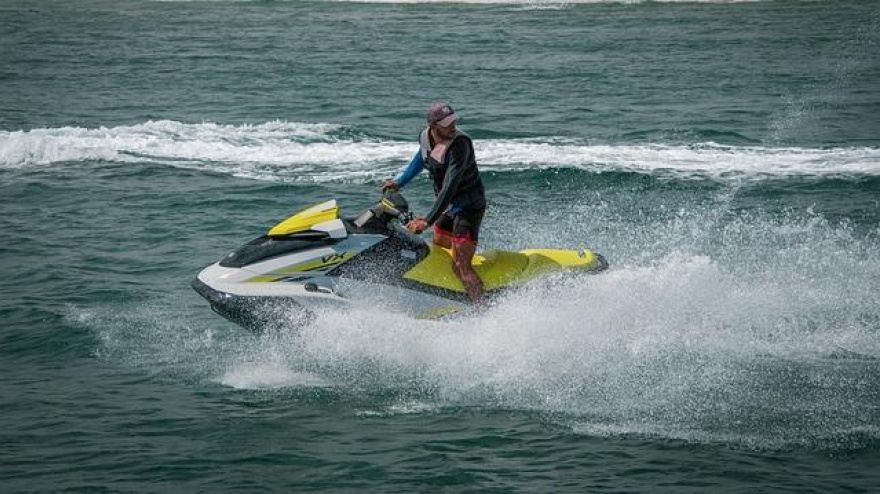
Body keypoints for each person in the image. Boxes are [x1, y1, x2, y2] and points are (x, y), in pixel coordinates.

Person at [383, 102, 487, 304]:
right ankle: (447, 297)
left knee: (460, 266)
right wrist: (399, 182)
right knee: (438, 251)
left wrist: (427, 221)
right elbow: (420, 159)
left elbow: (449, 186)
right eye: (447, 123)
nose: (452, 126)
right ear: (433, 126)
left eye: (453, 121)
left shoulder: (460, 145)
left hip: (469, 207)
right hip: (449, 207)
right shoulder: (425, 137)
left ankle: (484, 309)